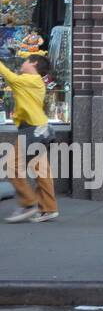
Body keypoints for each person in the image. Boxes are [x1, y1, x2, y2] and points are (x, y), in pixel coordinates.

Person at [1, 55, 59, 223]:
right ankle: (48, 208)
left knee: (11, 165)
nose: (22, 64)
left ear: (33, 63)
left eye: (25, 61)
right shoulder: (34, 82)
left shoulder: (29, 80)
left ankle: (28, 203)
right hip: (41, 130)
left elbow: (7, 74)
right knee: (41, 171)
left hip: (32, 130)